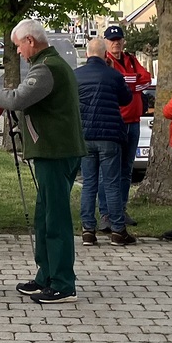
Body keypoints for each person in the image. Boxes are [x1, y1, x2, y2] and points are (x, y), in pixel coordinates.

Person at [0, 20, 85, 304]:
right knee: (44, 216)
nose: (17, 52)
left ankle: (63, 284)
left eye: (18, 46)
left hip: (55, 151)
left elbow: (16, 99)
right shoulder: (50, 64)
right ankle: (46, 276)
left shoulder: (46, 68)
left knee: (56, 218)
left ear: (30, 41)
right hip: (51, 150)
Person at [74, 38, 133, 246]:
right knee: (112, 184)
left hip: (85, 135)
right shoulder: (114, 75)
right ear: (105, 54)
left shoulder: (76, 75)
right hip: (109, 136)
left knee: (89, 184)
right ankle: (118, 230)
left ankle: (88, 230)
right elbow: (126, 99)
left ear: (87, 54)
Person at [102, 24, 152, 230]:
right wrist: (131, 83)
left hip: (134, 122)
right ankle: (106, 212)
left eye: (119, 40)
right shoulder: (105, 62)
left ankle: (121, 209)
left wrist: (128, 84)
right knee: (109, 170)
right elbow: (114, 85)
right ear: (106, 42)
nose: (116, 43)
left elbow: (146, 78)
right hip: (115, 122)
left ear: (123, 41)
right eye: (112, 40)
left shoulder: (131, 59)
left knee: (126, 170)